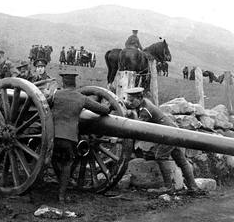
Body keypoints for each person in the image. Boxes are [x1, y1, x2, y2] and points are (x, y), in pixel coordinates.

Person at [49, 71, 110, 202]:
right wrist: (107, 108)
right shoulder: (81, 98)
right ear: (75, 84)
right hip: (69, 137)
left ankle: (55, 185)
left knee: (54, 159)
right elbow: (102, 110)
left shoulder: (56, 94)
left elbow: (44, 105)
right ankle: (61, 195)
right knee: (66, 164)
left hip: (53, 136)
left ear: (63, 83)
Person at [125, 87, 199, 193]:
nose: (129, 103)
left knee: (160, 157)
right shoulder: (144, 102)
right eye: (128, 99)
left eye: (132, 100)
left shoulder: (145, 110)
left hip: (168, 135)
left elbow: (139, 128)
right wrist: (125, 104)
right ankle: (193, 187)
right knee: (181, 161)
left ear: (140, 98)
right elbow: (131, 106)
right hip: (174, 132)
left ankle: (168, 187)